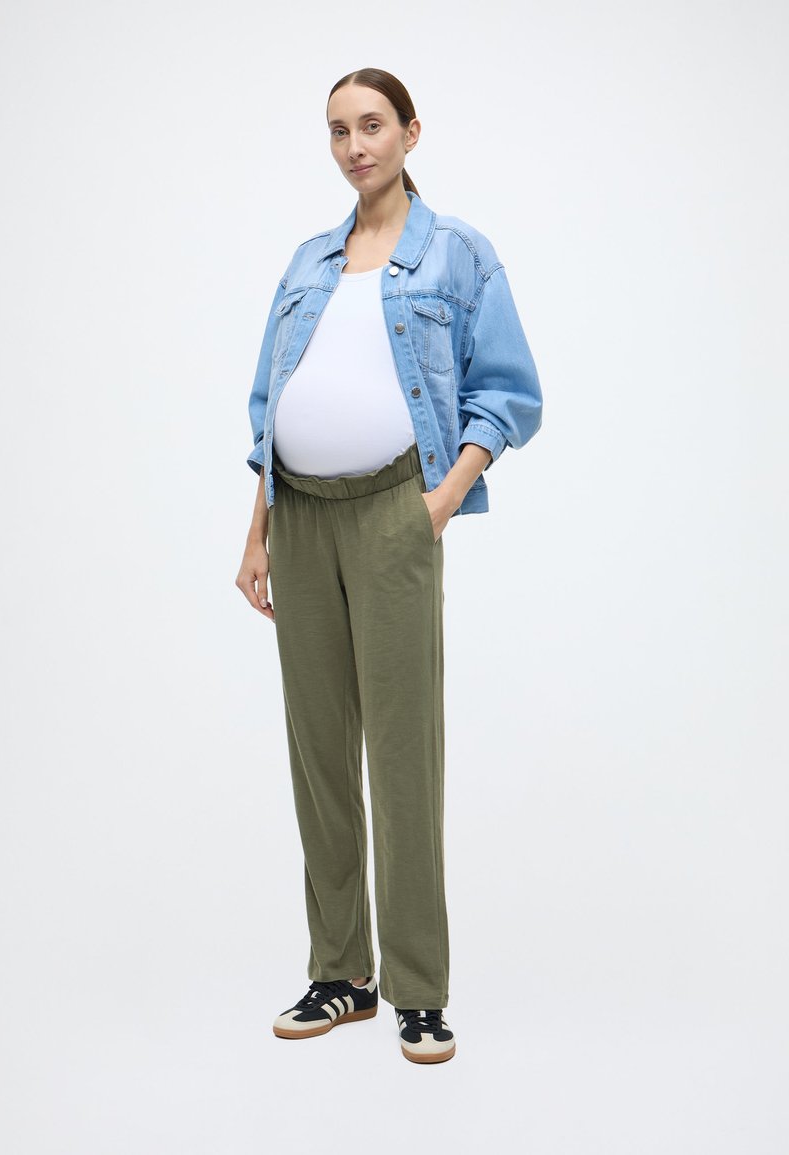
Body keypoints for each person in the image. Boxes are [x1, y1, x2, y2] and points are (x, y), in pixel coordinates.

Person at [236, 67, 542, 1065]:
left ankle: (418, 988)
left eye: (371, 125)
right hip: (297, 517)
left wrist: (438, 502)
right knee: (319, 755)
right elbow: (269, 404)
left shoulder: (456, 253)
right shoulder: (308, 260)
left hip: (392, 514)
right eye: (337, 130)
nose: (354, 146)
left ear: (410, 132)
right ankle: (342, 975)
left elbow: (508, 391)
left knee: (402, 755)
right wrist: (256, 533)